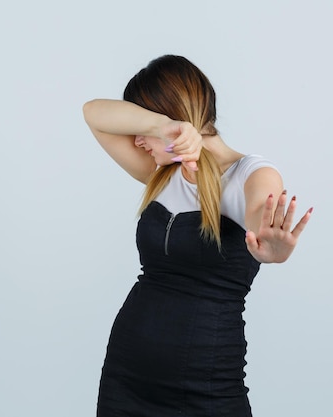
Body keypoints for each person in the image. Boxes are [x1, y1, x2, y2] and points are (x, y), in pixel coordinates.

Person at [82, 55, 312, 417]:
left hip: (206, 387)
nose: (137, 141)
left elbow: (259, 219)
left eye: (143, 130)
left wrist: (272, 247)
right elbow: (92, 113)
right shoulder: (161, 173)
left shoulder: (250, 174)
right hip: (126, 378)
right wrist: (164, 126)